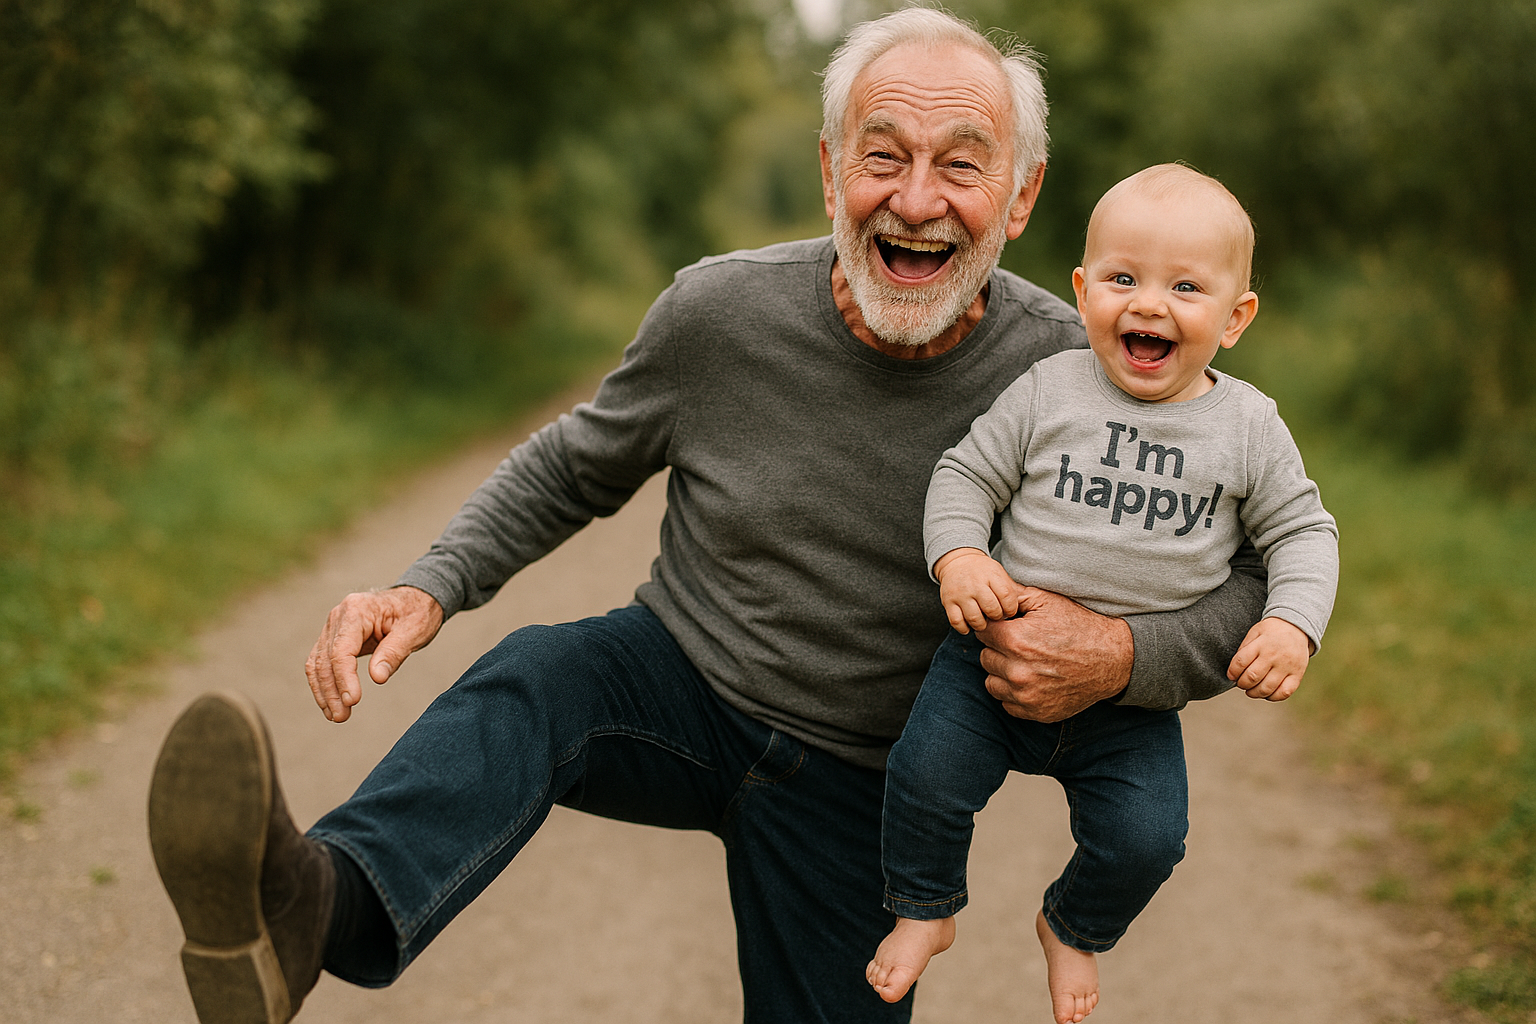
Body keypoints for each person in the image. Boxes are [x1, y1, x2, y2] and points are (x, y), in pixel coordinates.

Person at [146, 11, 1270, 1024]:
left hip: (868, 779)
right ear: (831, 170)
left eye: (962, 166)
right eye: (883, 156)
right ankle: (313, 908)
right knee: (539, 677)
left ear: (1020, 197)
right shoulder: (718, 313)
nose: (917, 200)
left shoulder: (1088, 377)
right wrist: (428, 583)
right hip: (677, 684)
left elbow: (1260, 578)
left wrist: (1121, 655)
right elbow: (575, 465)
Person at [864, 164, 1339, 1024]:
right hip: (991, 655)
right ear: (1083, 294)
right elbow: (967, 473)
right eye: (1123, 278)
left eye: (1185, 288)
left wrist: (1292, 624)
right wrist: (959, 556)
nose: (1149, 305)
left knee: (1148, 838)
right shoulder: (1049, 389)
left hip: (1131, 702)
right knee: (925, 776)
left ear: (1236, 318)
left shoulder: (1248, 428)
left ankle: (1073, 924)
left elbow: (1303, 532)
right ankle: (924, 907)